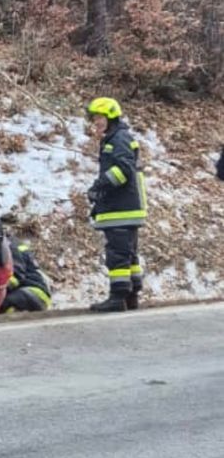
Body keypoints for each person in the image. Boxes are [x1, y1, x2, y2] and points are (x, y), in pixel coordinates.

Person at [85, 97, 147, 312]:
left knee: (118, 254)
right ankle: (131, 295)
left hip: (120, 208)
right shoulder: (118, 137)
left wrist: (99, 186)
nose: (96, 123)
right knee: (129, 253)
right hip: (125, 206)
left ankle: (117, 298)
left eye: (99, 117)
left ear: (110, 117)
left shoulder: (117, 139)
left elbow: (123, 171)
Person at [0, 237, 52, 313]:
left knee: (4, 304)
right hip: (40, 294)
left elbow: (16, 277)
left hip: (34, 291)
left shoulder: (11, 248)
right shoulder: (15, 245)